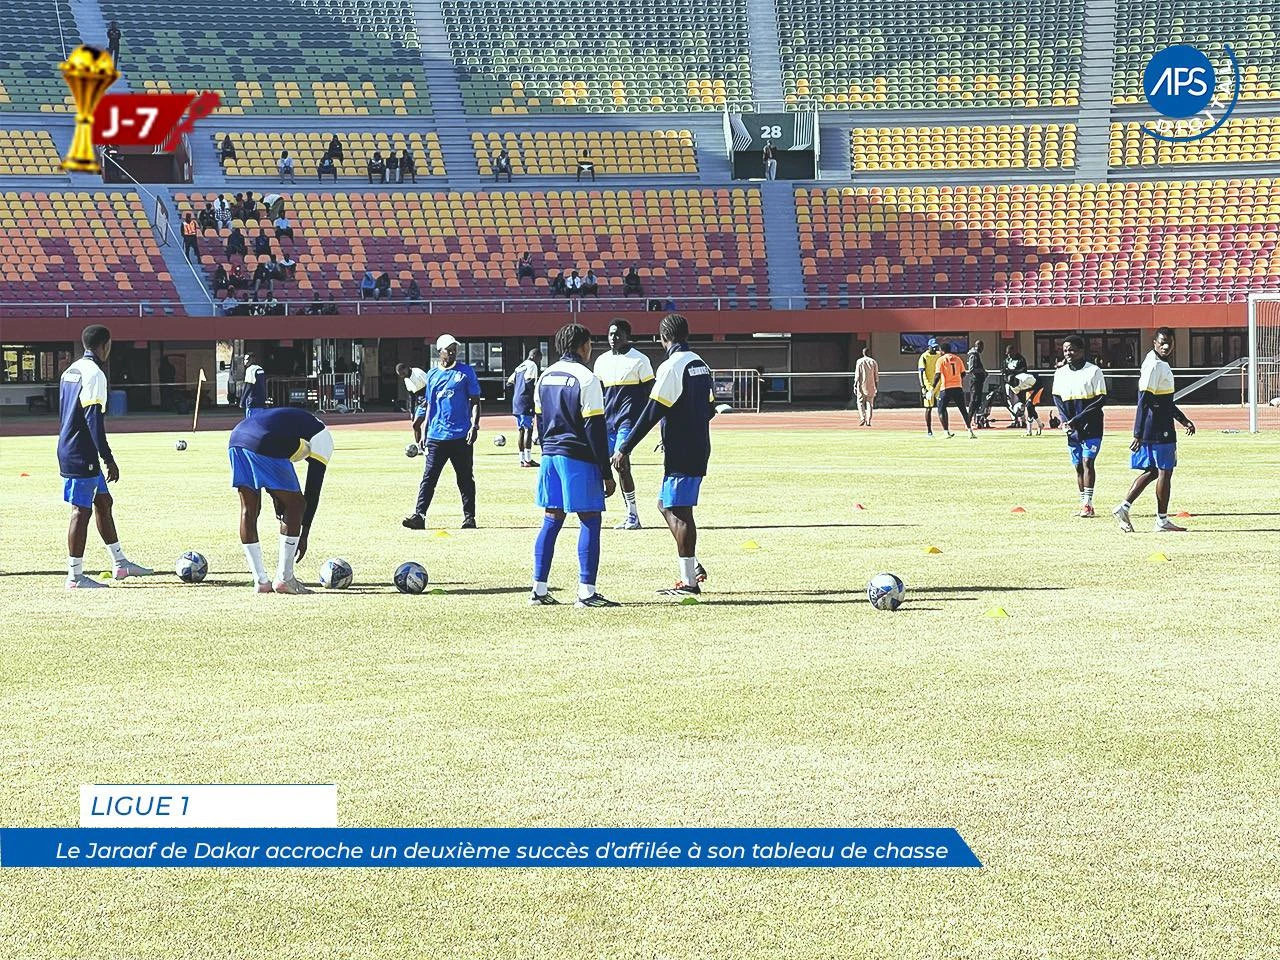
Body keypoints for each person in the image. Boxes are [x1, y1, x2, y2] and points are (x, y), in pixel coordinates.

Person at [612, 314, 713, 599]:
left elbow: (652, 412)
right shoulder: (700, 364)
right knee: (665, 505)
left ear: (663, 338)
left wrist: (625, 447)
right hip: (697, 445)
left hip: (682, 450)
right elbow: (709, 409)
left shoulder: (672, 366)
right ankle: (692, 564)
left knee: (679, 513)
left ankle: (689, 583)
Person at [529, 324, 619, 607]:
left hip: (550, 457)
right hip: (577, 458)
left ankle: (539, 590)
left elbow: (540, 422)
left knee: (551, 521)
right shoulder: (587, 378)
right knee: (590, 520)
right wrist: (606, 473)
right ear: (583, 346)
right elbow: (595, 429)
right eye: (590, 344)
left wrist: (547, 452)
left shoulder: (545, 376)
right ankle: (586, 592)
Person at [57, 324, 153, 588]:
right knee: (81, 511)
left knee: (103, 502)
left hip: (70, 445)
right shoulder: (95, 374)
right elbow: (93, 421)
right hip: (81, 451)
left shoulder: (70, 370)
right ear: (105, 345)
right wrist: (108, 457)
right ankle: (75, 576)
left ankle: (120, 564)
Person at [228, 406, 333, 594]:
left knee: (249, 510)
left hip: (237, 438)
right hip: (265, 441)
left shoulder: (293, 426)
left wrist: (279, 499)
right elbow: (312, 490)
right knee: (297, 504)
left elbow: (271, 475)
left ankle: (260, 581)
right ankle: (285, 579)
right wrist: (304, 533)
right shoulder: (323, 438)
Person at [1114, 328, 1196, 533]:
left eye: (1169, 342)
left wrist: (1182, 419)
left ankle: (1124, 508)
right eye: (1162, 342)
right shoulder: (1154, 365)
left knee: (1152, 472)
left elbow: (1164, 400)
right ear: (1154, 343)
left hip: (1158, 424)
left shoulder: (1158, 363)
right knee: (1165, 472)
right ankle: (1161, 521)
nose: (1166, 346)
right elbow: (1144, 401)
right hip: (1158, 428)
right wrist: (1138, 433)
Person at [401, 334, 481, 530]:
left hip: (461, 436)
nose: (453, 351)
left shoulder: (466, 372)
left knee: (465, 478)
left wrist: (475, 425)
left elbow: (475, 401)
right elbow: (429, 405)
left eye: (455, 348)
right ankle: (419, 516)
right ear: (440, 351)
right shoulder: (432, 376)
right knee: (429, 478)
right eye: (449, 348)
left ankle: (469, 518)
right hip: (436, 437)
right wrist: (423, 431)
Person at [594, 318, 654, 529]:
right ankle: (593, 511)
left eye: (617, 334)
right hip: (605, 422)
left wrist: (645, 422)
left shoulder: (640, 360)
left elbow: (651, 394)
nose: (613, 338)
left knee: (621, 463)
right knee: (595, 465)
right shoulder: (601, 361)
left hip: (627, 423)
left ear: (627, 336)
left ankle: (632, 514)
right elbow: (597, 393)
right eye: (610, 334)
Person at [1052, 334, 1108, 519]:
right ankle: (1083, 501)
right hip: (1072, 428)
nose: (1068, 353)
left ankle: (1088, 504)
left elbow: (1101, 399)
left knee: (1087, 462)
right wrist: (1065, 420)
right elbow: (1057, 398)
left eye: (1072, 350)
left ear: (1081, 351)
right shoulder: (1060, 373)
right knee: (1077, 466)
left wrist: (1078, 418)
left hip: (1091, 426)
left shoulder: (1094, 371)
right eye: (1065, 350)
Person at [506, 348, 541, 468]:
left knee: (521, 430)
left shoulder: (519, 367)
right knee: (528, 429)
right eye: (539, 359)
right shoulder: (532, 365)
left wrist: (517, 392)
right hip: (526, 401)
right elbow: (530, 382)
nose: (539, 362)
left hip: (516, 401)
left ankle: (521, 459)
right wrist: (533, 397)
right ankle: (528, 459)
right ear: (535, 356)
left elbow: (509, 383)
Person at [932, 345, 977, 439]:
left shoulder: (941, 360)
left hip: (946, 388)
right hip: (958, 387)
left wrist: (932, 388)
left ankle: (946, 432)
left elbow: (937, 375)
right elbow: (963, 373)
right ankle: (970, 431)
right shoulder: (957, 359)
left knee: (941, 409)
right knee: (963, 410)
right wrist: (956, 379)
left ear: (942, 350)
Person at [396, 361, 430, 446]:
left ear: (406, 369)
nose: (402, 375)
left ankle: (429, 445)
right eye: (400, 375)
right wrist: (412, 412)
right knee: (415, 425)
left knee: (429, 425)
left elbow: (430, 386)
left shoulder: (417, 372)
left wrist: (428, 400)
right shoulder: (406, 380)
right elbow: (411, 396)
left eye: (402, 373)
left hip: (429, 400)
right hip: (420, 402)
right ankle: (418, 446)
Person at [917, 338, 943, 437]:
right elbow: (921, 372)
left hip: (938, 385)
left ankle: (945, 429)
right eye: (933, 347)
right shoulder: (924, 356)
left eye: (936, 347)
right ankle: (929, 430)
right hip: (928, 386)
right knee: (929, 408)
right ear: (928, 346)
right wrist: (923, 387)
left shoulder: (939, 355)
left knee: (942, 406)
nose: (934, 349)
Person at [1003, 344, 1029, 427]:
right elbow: (1003, 370)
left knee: (1020, 402)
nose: (1009, 355)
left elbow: (1024, 370)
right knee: (1010, 402)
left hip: (1018, 384)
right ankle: (1015, 420)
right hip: (1008, 383)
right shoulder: (1006, 360)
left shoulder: (1021, 359)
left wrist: (1013, 372)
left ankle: (1022, 420)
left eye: (1010, 353)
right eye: (1008, 353)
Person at [853, 346, 879, 426]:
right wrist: (876, 386)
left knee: (860, 402)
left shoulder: (859, 361)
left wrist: (855, 384)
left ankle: (862, 418)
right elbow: (876, 376)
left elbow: (857, 374)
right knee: (870, 403)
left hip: (861, 384)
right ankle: (868, 420)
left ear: (863, 353)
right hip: (871, 385)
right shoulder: (873, 362)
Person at [241, 352, 267, 416]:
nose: (244, 361)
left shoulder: (250, 370)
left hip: (252, 402)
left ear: (252, 360)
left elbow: (248, 386)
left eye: (246, 359)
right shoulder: (260, 369)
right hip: (261, 401)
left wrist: (242, 401)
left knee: (251, 422)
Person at [966, 339, 987, 418]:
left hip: (979, 381)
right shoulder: (973, 355)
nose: (982, 349)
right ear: (978, 346)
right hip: (975, 381)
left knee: (978, 400)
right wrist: (982, 371)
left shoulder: (976, 354)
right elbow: (971, 369)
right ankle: (969, 417)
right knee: (974, 399)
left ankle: (976, 417)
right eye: (982, 347)